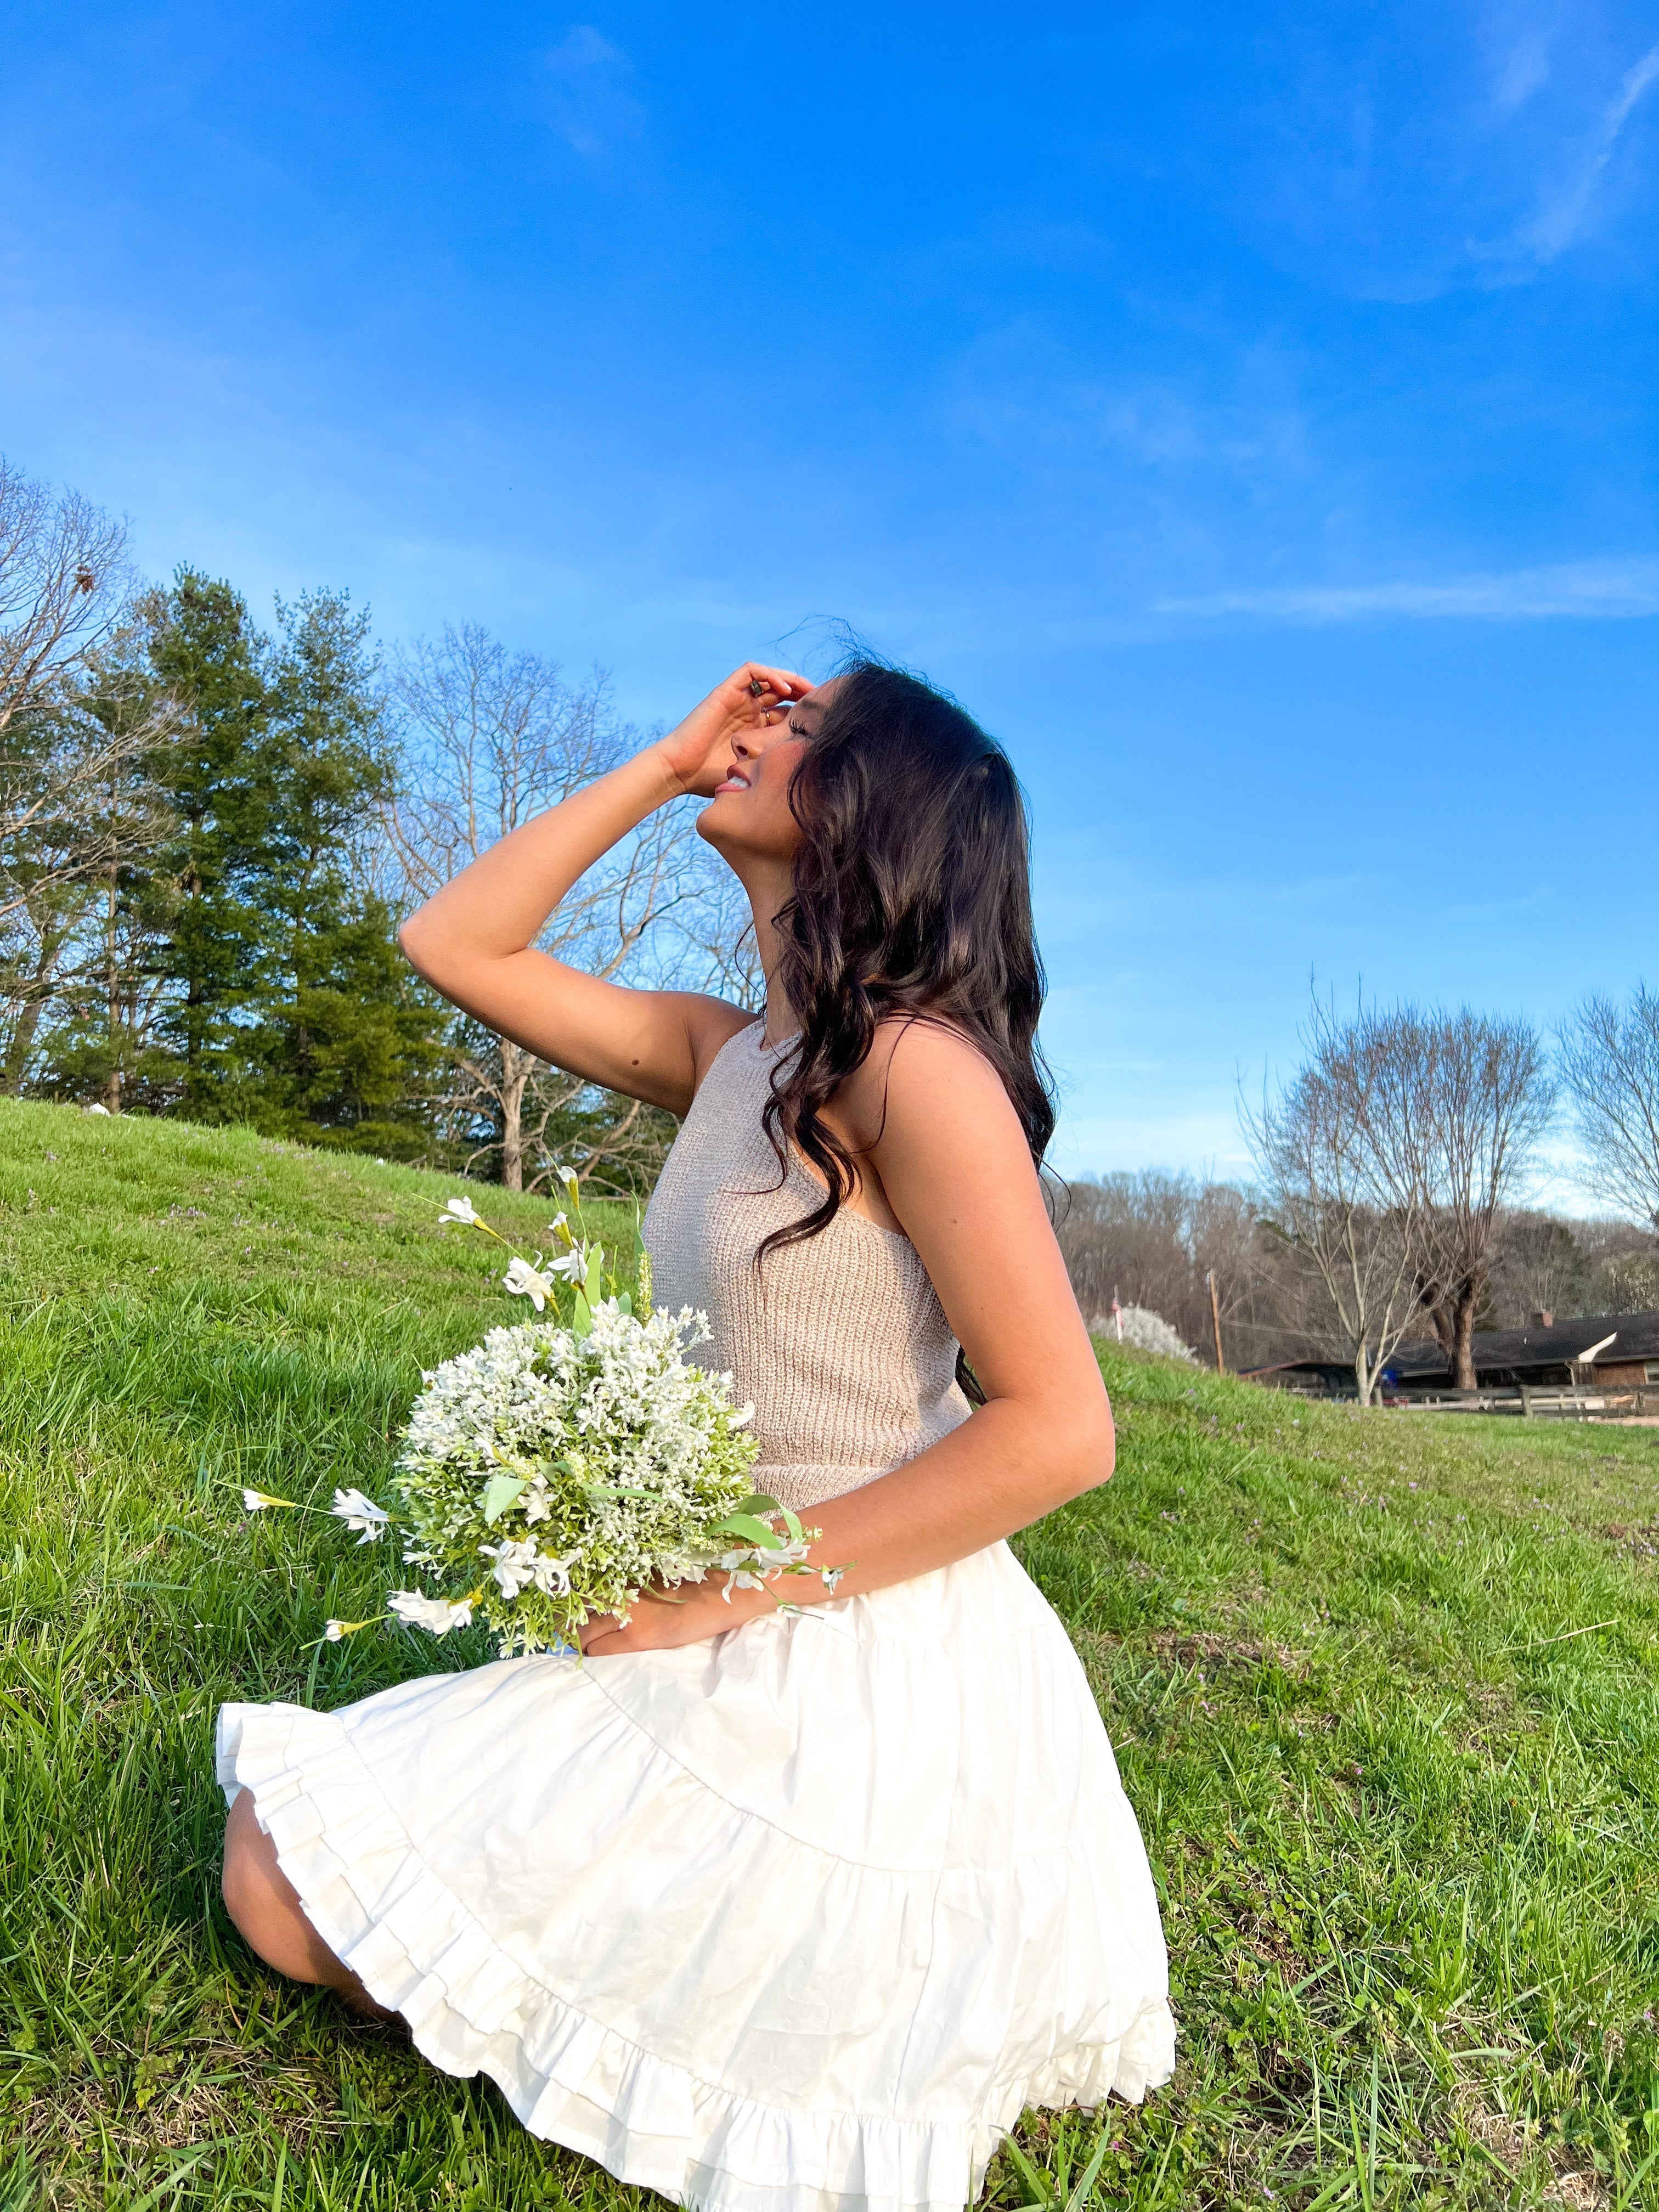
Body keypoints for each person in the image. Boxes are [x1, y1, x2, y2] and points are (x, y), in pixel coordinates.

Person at [217, 657, 1175, 2212]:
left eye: (806, 728)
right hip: (719, 1602)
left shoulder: (914, 1068)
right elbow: (451, 941)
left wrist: (704, 1601)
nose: (759, 730)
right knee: (282, 1859)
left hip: (860, 1644)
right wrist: (666, 763)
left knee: (277, 1880)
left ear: (877, 806)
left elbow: (1064, 1431)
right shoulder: (735, 1053)